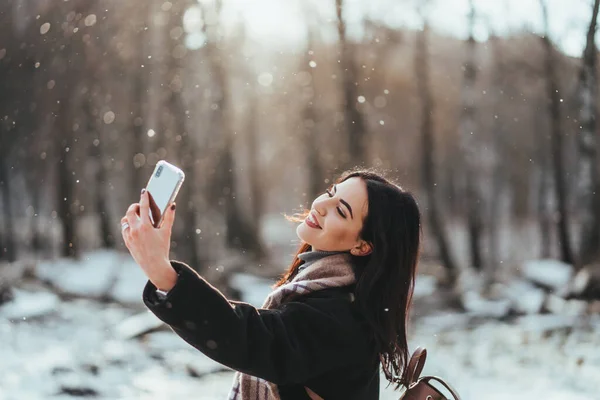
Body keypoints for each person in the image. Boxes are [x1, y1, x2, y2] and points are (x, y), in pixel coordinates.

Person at [121, 169, 421, 399]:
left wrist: (164, 274)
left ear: (363, 246)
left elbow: (253, 339)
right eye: (330, 191)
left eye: (342, 211)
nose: (322, 205)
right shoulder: (325, 289)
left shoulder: (344, 318)